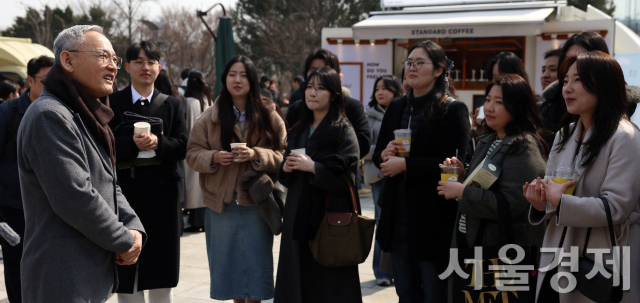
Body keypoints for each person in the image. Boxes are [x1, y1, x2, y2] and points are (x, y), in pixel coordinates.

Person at [17, 24, 146, 302]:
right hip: (62, 275)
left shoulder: (85, 115)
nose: (113, 66)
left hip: (88, 273)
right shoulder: (49, 115)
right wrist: (124, 241)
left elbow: (108, 184)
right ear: (67, 60)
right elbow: (76, 196)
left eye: (115, 59)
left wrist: (134, 227)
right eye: (103, 56)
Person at [524, 51, 640, 302]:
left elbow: (617, 207)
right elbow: (554, 192)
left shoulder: (625, 137)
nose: (567, 88)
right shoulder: (565, 134)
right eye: (565, 81)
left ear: (604, 85)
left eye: (578, 80)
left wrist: (561, 202)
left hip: (600, 260)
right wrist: (541, 201)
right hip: (558, 253)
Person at [373, 40, 470, 302]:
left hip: (432, 217)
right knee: (405, 291)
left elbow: (454, 162)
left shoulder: (451, 109)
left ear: (438, 70)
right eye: (409, 62)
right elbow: (377, 153)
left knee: (434, 291)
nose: (411, 68)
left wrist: (405, 165)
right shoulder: (396, 107)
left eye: (419, 63)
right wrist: (384, 154)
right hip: (397, 213)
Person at [186, 55, 286, 303]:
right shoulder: (209, 116)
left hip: (257, 203)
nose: (237, 80)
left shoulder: (269, 114)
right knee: (228, 268)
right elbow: (191, 154)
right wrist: (214, 157)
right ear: (224, 79)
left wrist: (256, 155)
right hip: (221, 204)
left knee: (256, 266)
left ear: (252, 79)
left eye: (243, 75)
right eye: (232, 74)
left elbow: (284, 154)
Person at [437, 74, 547, 283]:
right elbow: (485, 184)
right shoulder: (489, 140)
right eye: (488, 100)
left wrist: (462, 192)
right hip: (472, 243)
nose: (489, 107)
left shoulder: (523, 146)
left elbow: (512, 203)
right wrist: (463, 175)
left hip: (500, 250)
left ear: (518, 106)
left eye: (499, 102)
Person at [273, 66, 361, 303]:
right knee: (296, 277)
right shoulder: (299, 128)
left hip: (329, 215)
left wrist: (314, 168)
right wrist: (287, 168)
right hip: (297, 212)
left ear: (333, 95)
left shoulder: (344, 131)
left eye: (320, 88)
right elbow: (284, 172)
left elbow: (349, 178)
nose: (312, 93)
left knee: (328, 282)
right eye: (309, 87)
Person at [108, 41, 188, 302]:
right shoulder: (111, 102)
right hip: (124, 194)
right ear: (127, 67)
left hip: (163, 196)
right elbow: (102, 145)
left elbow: (184, 145)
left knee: (161, 267)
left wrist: (159, 143)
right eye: (139, 62)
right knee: (126, 266)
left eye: (151, 62)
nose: (146, 67)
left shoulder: (175, 105)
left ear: (159, 67)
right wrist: (130, 144)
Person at [0, 55, 53, 302]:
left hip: (51, 209)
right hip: (14, 210)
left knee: (48, 270)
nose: (52, 86)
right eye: (45, 80)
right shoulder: (7, 113)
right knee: (17, 270)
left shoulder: (59, 113)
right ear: (29, 81)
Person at [286, 49, 371, 160]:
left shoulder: (351, 107)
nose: (318, 74)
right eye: (313, 70)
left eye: (325, 70)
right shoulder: (297, 109)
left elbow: (363, 144)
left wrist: (321, 165)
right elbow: (285, 143)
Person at [363, 75, 404, 287]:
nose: (380, 92)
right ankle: (381, 271)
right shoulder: (368, 116)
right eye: (377, 88)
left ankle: (397, 269)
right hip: (380, 175)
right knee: (381, 222)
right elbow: (364, 148)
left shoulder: (404, 112)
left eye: (385, 88)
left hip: (403, 174)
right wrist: (385, 150)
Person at [538, 31, 611, 150]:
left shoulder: (622, 132)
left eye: (583, 58)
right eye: (569, 60)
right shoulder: (549, 109)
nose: (574, 63)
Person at [182, 70, 212, 232]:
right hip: (207, 148)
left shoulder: (188, 102)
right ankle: (202, 220)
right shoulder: (207, 100)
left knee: (192, 187)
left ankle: (196, 221)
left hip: (191, 147)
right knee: (200, 187)